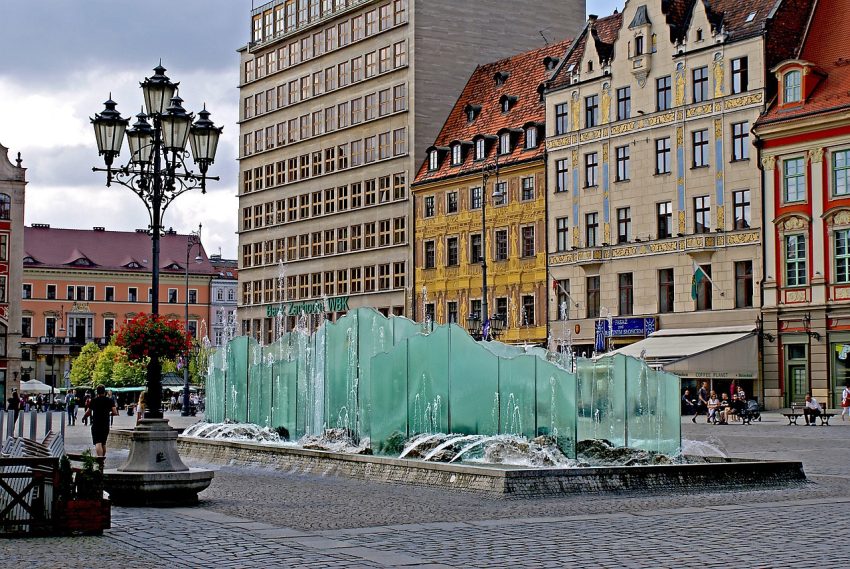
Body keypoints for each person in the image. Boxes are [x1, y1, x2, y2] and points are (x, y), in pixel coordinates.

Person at [82, 385, 118, 457]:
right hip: (105, 424)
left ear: (97, 392)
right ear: (104, 391)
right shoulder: (109, 400)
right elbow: (115, 412)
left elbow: (89, 412)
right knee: (103, 443)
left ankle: (100, 459)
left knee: (98, 442)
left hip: (96, 424)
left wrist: (84, 417)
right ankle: (102, 460)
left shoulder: (94, 400)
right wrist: (110, 413)